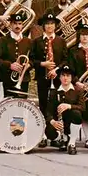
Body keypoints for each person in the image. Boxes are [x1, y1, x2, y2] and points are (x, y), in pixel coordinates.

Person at [31, 13, 68, 147]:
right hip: (42, 78)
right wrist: (43, 64)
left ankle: (56, 136)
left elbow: (65, 59)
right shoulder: (37, 41)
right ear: (43, 26)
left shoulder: (61, 41)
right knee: (43, 106)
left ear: (55, 26)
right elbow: (32, 60)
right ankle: (42, 135)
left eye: (52, 24)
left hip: (58, 79)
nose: (50, 26)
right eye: (47, 24)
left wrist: (56, 69)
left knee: (56, 107)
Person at [44, 65, 85, 155]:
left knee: (77, 114)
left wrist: (69, 106)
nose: (65, 78)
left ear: (71, 78)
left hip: (71, 122)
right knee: (49, 131)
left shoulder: (78, 90)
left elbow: (83, 107)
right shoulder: (54, 92)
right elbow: (48, 112)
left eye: (68, 76)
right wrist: (52, 122)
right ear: (59, 77)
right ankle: (62, 139)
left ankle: (71, 143)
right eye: (63, 75)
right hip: (59, 124)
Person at [0, 13, 33, 97]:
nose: (17, 26)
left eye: (19, 23)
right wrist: (10, 65)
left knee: (22, 105)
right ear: (10, 25)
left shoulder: (28, 41)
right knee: (8, 106)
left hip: (23, 79)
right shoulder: (3, 40)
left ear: (22, 25)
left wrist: (29, 65)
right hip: (7, 79)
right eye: (15, 23)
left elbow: (33, 59)